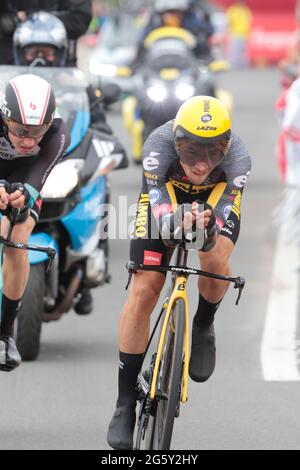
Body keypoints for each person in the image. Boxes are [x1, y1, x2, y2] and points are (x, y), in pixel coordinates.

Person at [107, 95, 251, 449]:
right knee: (145, 289)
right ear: (177, 142)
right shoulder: (157, 144)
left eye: (213, 153)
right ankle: (125, 402)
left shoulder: (238, 159)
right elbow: (159, 210)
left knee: (215, 258)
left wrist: (207, 224)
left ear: (227, 147)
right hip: (165, 202)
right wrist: (175, 220)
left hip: (212, 204)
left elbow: (224, 209)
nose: (202, 165)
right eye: (191, 153)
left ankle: (203, 323)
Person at [0, 73, 70, 371]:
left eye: (36, 130)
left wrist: (23, 193)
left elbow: (38, 176)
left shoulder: (57, 133)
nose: (28, 140)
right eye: (19, 129)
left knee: (16, 241)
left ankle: (5, 334)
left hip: (26, 182)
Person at [0, 0, 92, 65]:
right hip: (10, 63)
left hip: (59, 65)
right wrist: (13, 21)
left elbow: (80, 20)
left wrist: (41, 20)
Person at [134, 0, 214, 63]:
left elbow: (206, 34)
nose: (172, 17)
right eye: (168, 13)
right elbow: (143, 44)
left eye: (176, 13)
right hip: (157, 68)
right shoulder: (153, 27)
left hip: (188, 68)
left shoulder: (193, 27)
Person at [226, 0, 252, 68]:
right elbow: (229, 22)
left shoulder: (245, 10)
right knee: (234, 50)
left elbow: (249, 21)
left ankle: (243, 65)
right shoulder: (232, 10)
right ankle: (232, 65)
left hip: (244, 33)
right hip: (235, 33)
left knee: (243, 50)